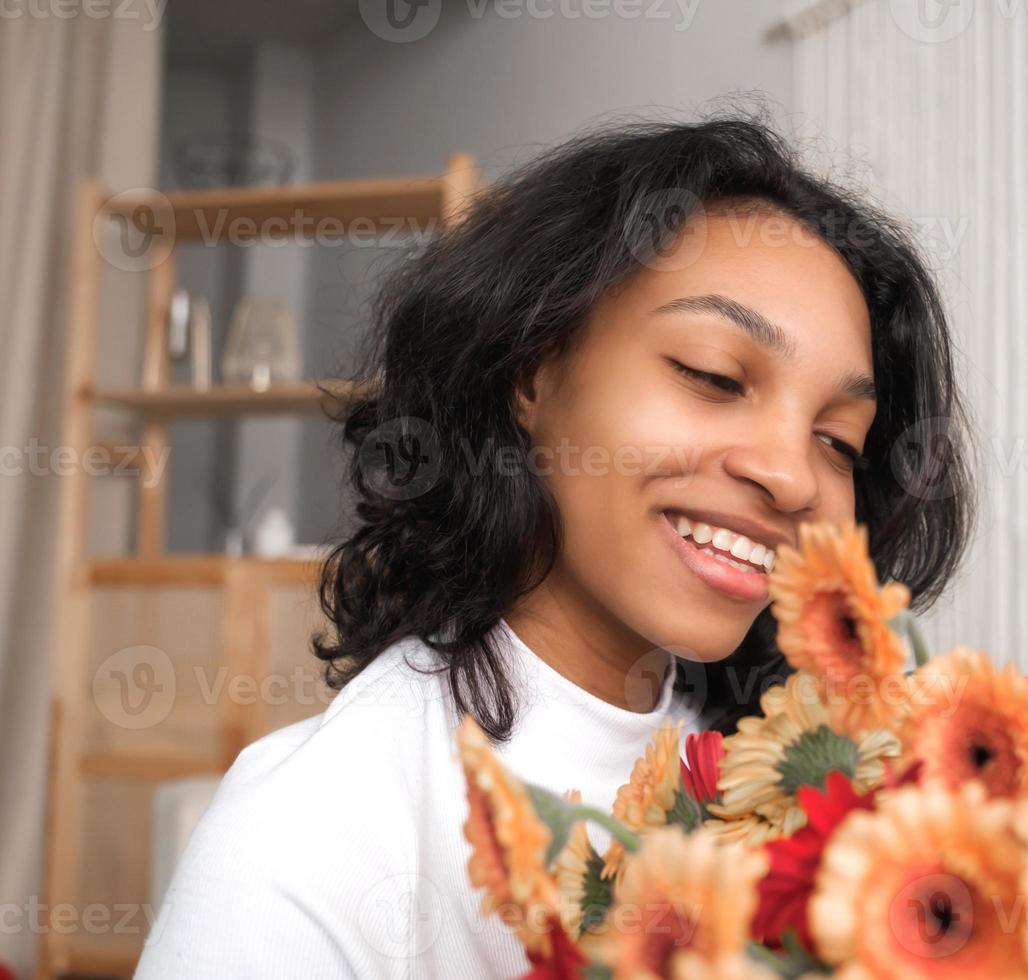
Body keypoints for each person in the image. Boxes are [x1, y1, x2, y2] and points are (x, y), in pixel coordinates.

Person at [135, 113, 975, 978]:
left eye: (838, 440)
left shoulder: (819, 795)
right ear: (532, 374)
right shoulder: (313, 831)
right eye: (714, 376)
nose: (793, 477)